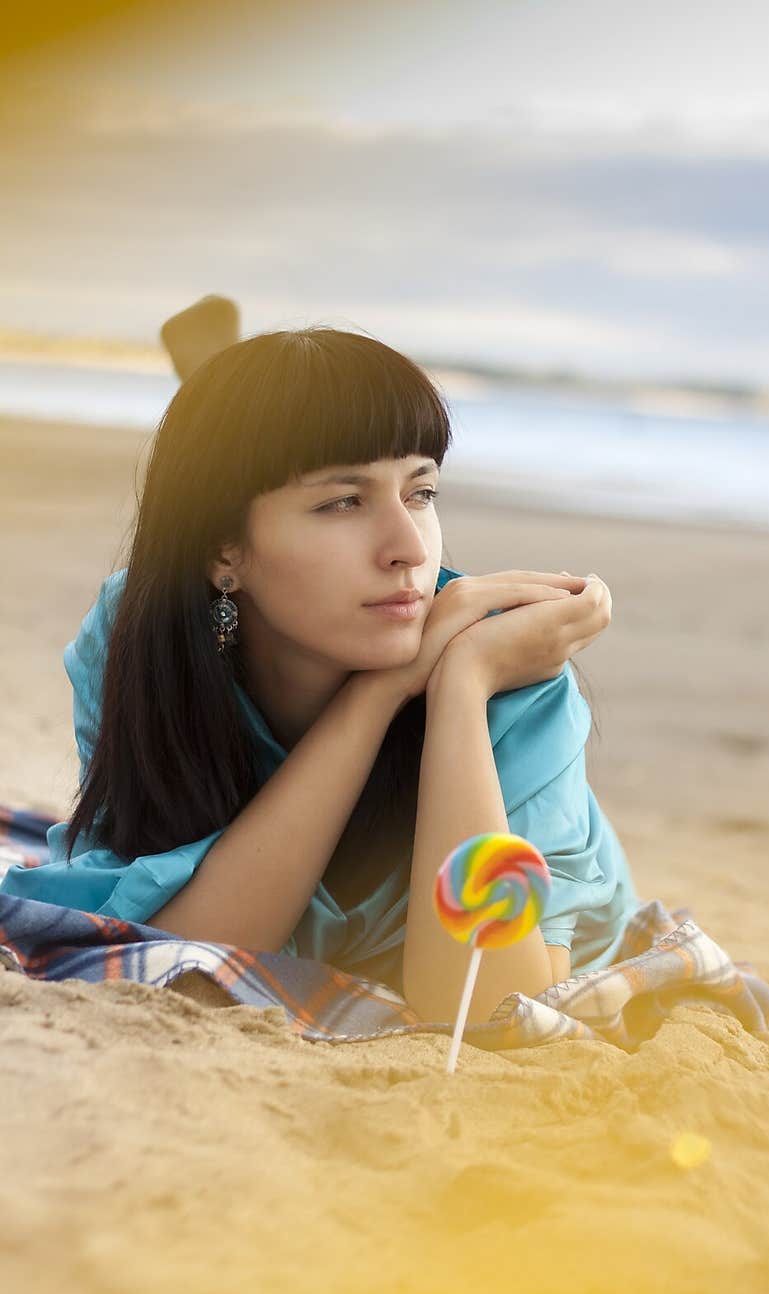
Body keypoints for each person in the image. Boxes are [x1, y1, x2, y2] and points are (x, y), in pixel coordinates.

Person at [0, 326, 641, 1025]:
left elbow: (488, 1008)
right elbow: (178, 947)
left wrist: (459, 687)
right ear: (224, 549)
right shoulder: (141, 636)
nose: (407, 549)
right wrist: (378, 694)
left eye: (420, 492)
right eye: (343, 501)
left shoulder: (507, 673)